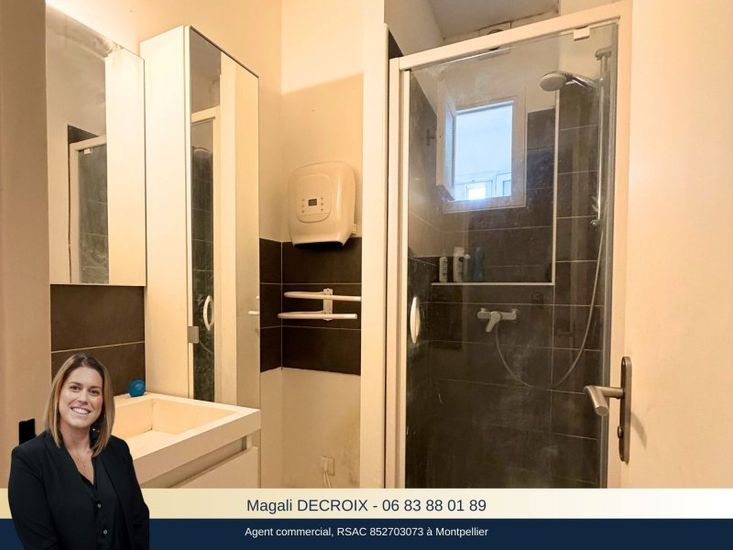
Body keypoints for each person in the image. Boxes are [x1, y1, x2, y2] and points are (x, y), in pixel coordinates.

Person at [8, 353, 149, 549]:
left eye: (94, 392)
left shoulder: (118, 450)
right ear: (58, 393)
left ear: (103, 402)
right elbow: (42, 545)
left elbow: (138, 520)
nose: (83, 398)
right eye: (74, 388)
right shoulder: (28, 461)